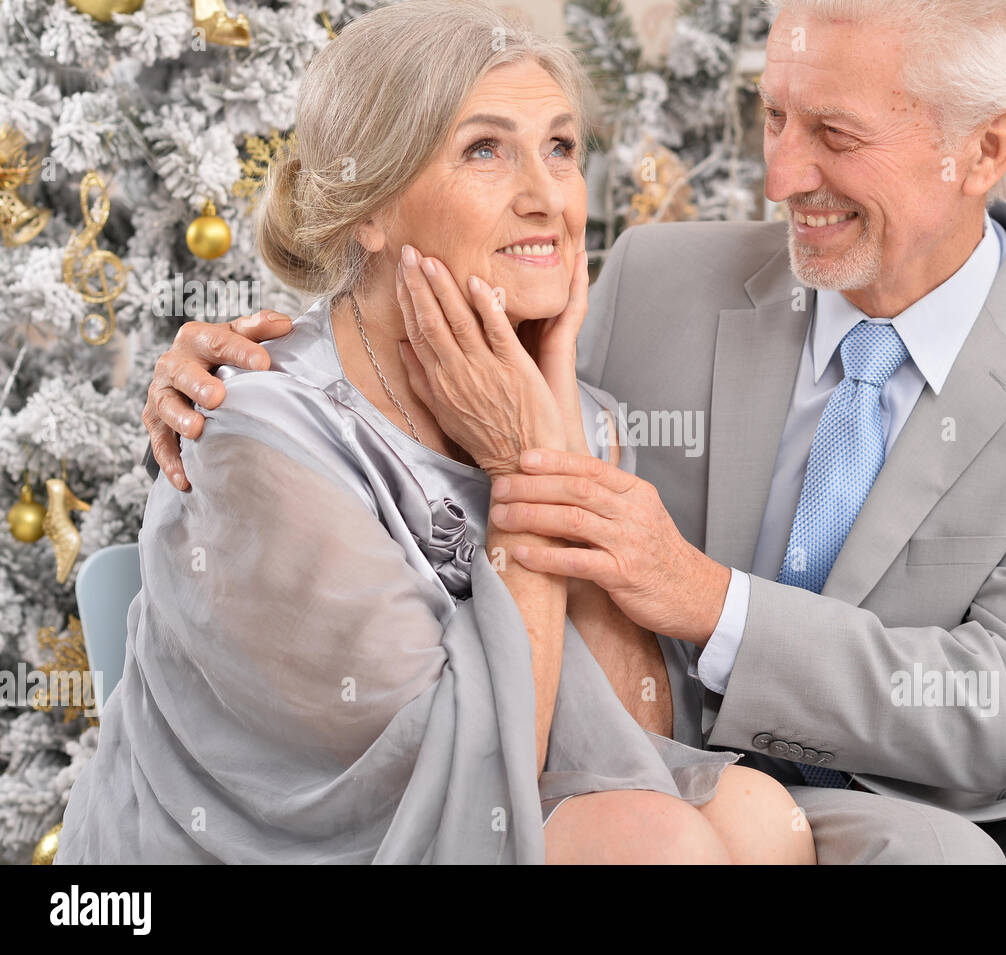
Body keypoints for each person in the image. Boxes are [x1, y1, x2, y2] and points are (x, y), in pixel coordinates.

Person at [142, 0, 1006, 863]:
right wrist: (215, 366)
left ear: (982, 152)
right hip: (677, 774)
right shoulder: (653, 281)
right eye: (774, 117)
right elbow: (420, 382)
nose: (781, 176)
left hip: (983, 778)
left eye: (834, 134)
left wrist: (701, 595)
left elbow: (997, 708)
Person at [59, 0, 815, 865]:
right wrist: (521, 472)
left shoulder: (584, 419)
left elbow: (636, 736)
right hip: (340, 839)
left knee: (757, 814)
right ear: (369, 207)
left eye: (561, 148)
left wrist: (553, 441)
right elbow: (445, 779)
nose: (546, 198)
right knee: (658, 842)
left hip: (492, 794)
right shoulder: (260, 433)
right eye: (485, 149)